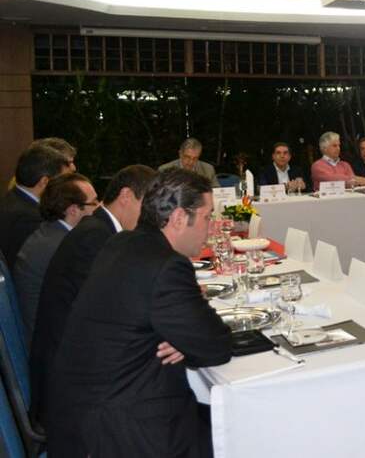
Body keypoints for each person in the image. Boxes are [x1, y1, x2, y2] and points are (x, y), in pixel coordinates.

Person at [46, 168, 232, 458]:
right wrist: (186, 339)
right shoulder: (165, 264)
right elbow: (216, 346)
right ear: (180, 217)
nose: (210, 227)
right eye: (208, 217)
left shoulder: (123, 243)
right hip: (118, 433)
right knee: (239, 433)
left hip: (80, 418)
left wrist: (183, 338)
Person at [30, 164, 157, 424]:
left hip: (75, 366)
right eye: (149, 205)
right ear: (126, 196)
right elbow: (117, 315)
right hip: (73, 392)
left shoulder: (98, 229)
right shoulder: (96, 238)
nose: (152, 216)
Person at [14, 172, 98, 348]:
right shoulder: (63, 246)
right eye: (94, 202)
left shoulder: (49, 233)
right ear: (73, 210)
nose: (98, 208)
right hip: (51, 345)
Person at [0, 144, 70, 267]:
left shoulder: (10, 199)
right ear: (44, 182)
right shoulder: (31, 219)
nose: (66, 187)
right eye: (62, 181)